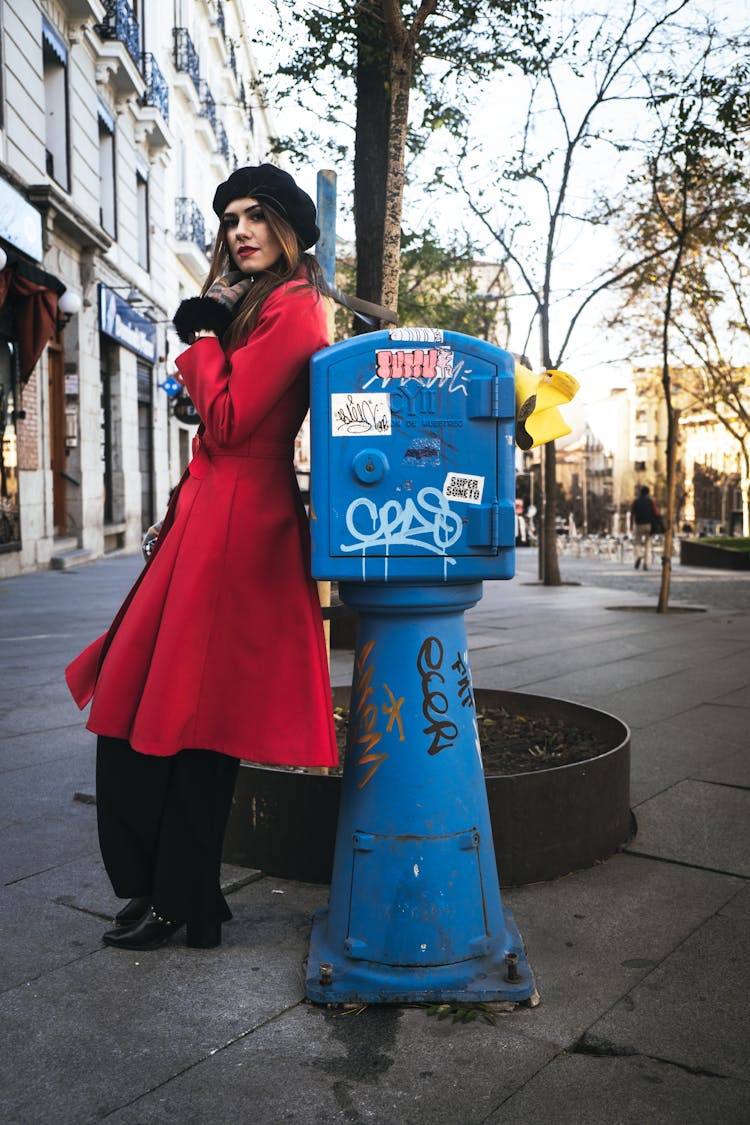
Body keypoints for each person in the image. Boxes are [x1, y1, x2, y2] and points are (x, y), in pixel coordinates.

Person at [65, 165, 338, 952]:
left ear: (286, 226)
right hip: (211, 518)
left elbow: (226, 419)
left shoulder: (292, 308)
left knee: (190, 722)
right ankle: (173, 892)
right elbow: (218, 439)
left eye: (255, 216)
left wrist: (204, 336)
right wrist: (177, 507)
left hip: (240, 532)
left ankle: (181, 896)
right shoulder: (258, 304)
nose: (238, 230)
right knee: (138, 709)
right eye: (228, 219)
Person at [631, 485, 660, 570]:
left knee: (637, 543)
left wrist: (631, 526)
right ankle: (646, 563)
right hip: (648, 525)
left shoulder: (635, 501)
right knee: (648, 544)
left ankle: (639, 555)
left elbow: (632, 514)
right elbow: (656, 513)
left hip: (638, 525)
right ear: (648, 493)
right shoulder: (651, 501)